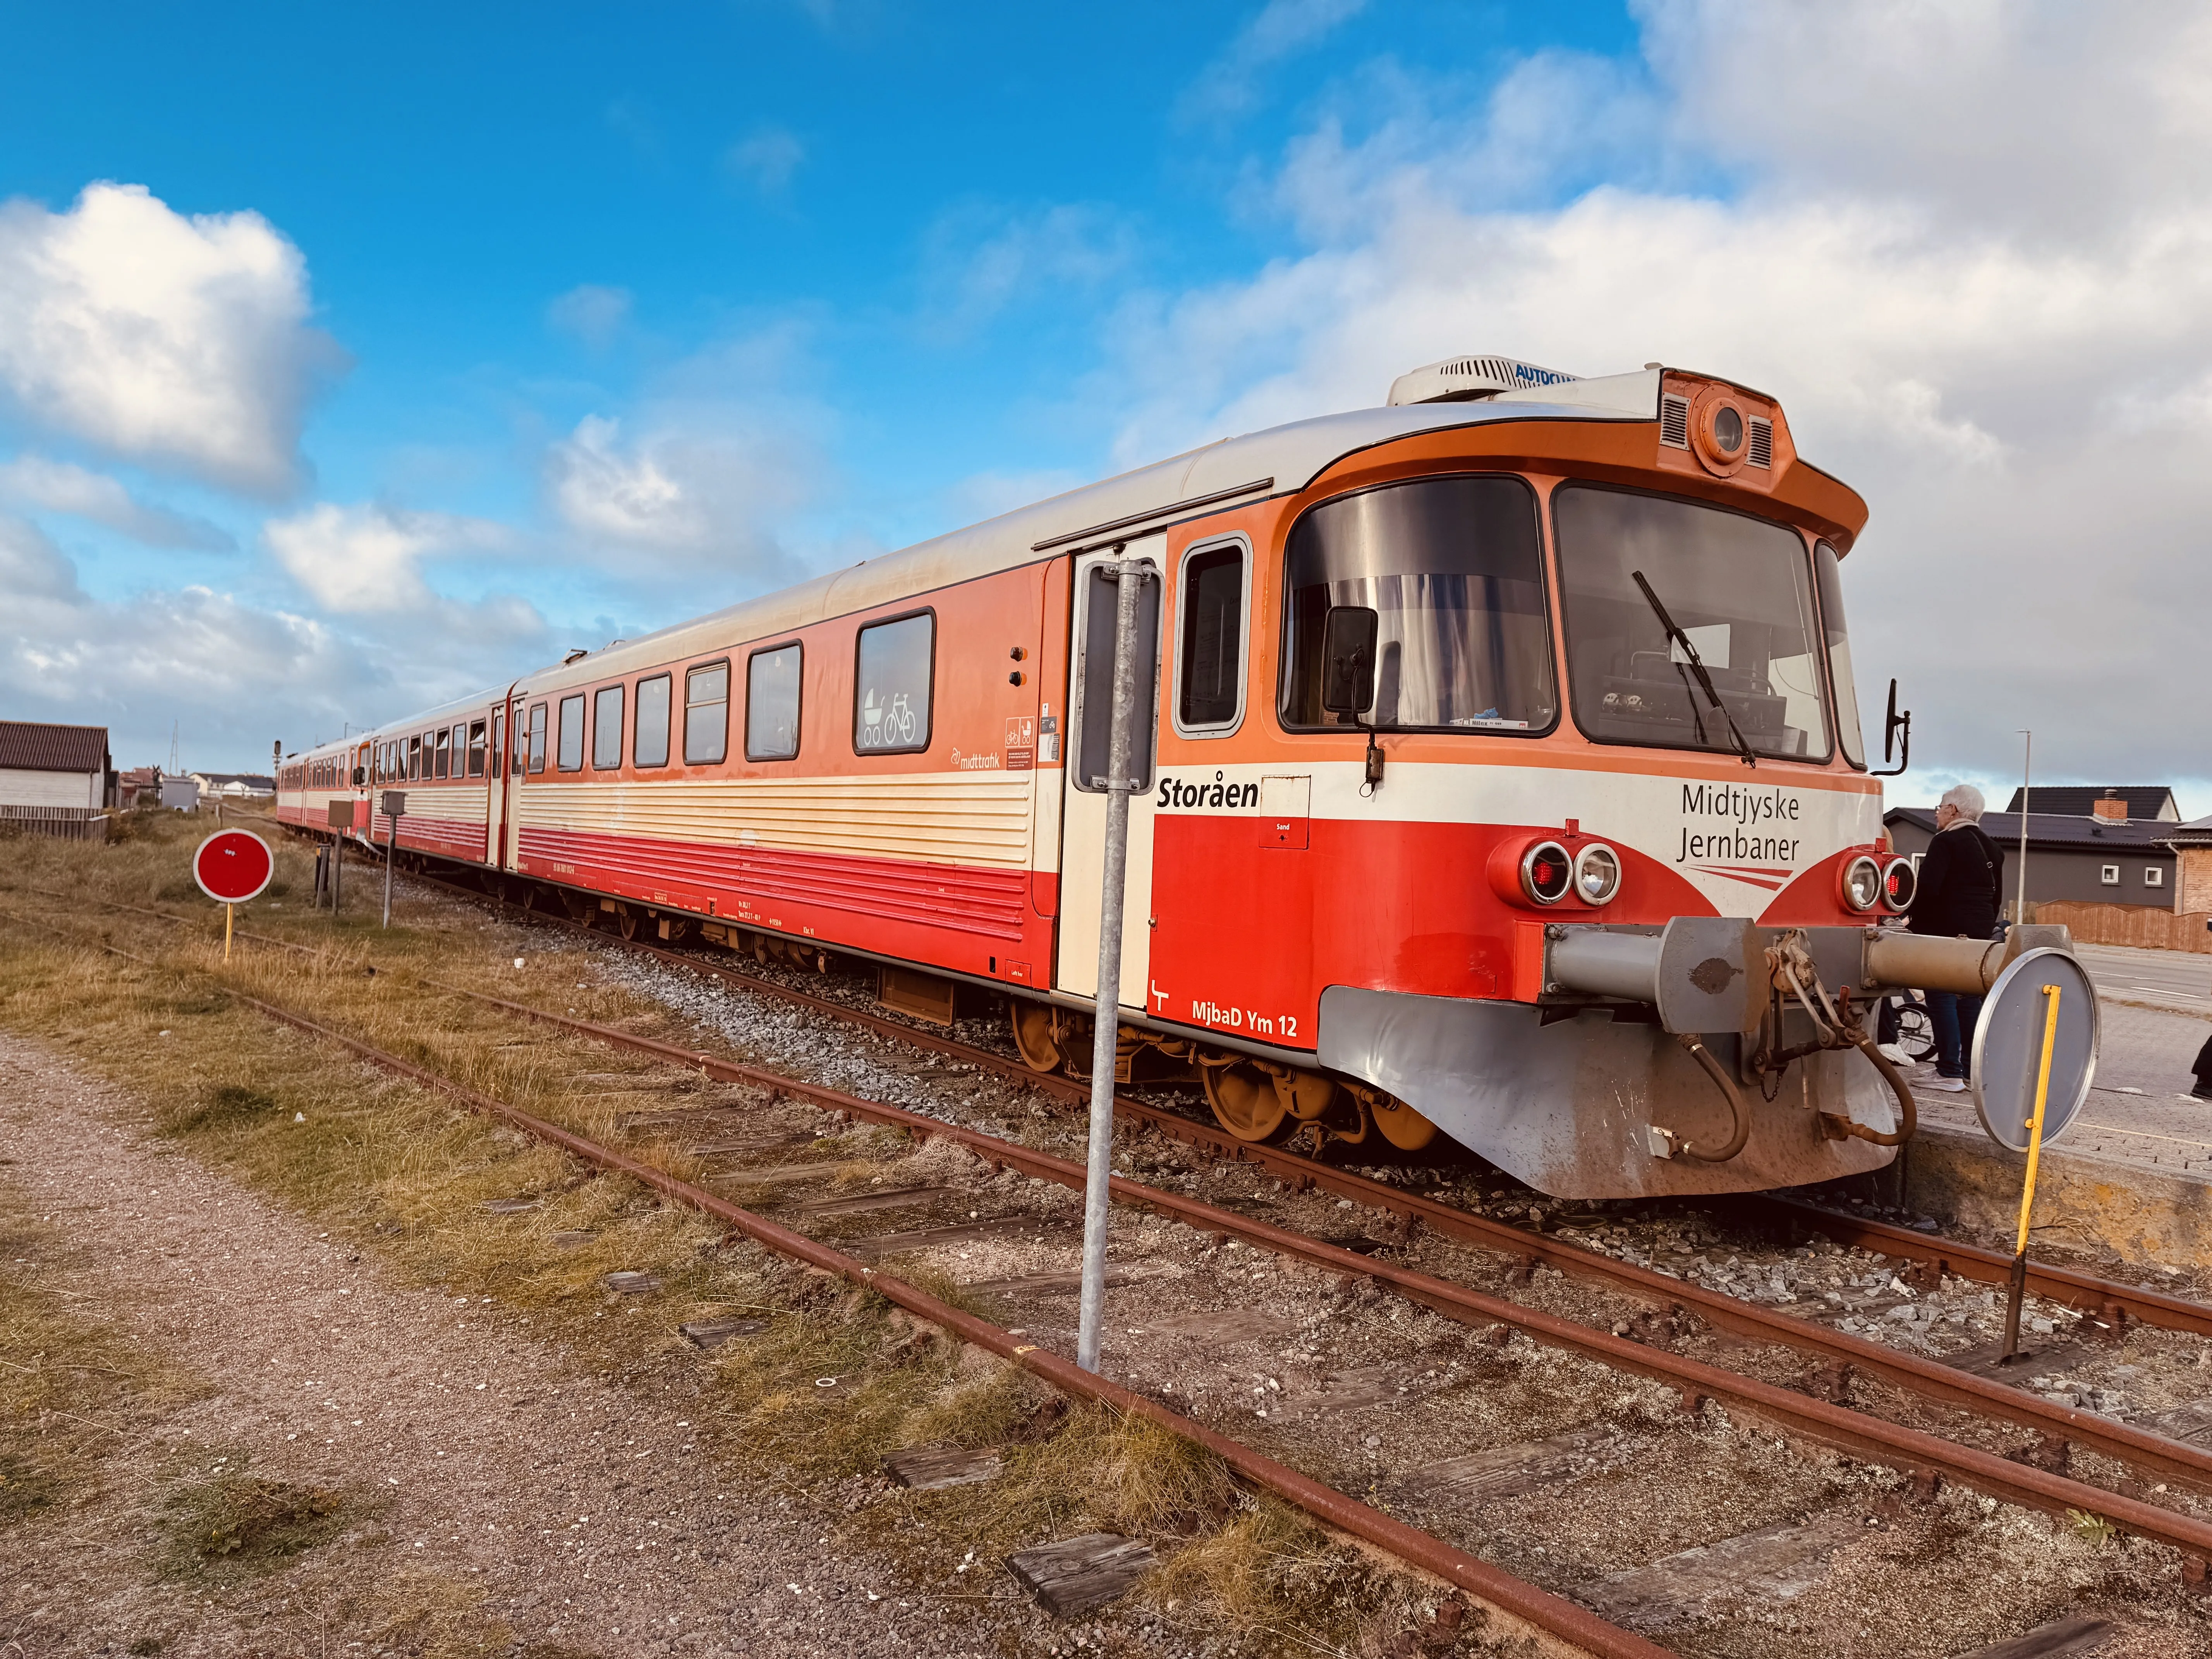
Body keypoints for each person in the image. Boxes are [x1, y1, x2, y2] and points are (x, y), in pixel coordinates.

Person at [1909, 783, 2006, 1091]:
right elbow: (1996, 896)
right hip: (1978, 933)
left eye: (1940, 806)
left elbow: (1929, 889)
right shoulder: (1992, 847)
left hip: (1944, 930)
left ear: (1953, 810)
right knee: (1968, 998)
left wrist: (1909, 920)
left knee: (1941, 996)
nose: (1937, 812)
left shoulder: (1945, 842)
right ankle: (1969, 1070)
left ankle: (1948, 1070)